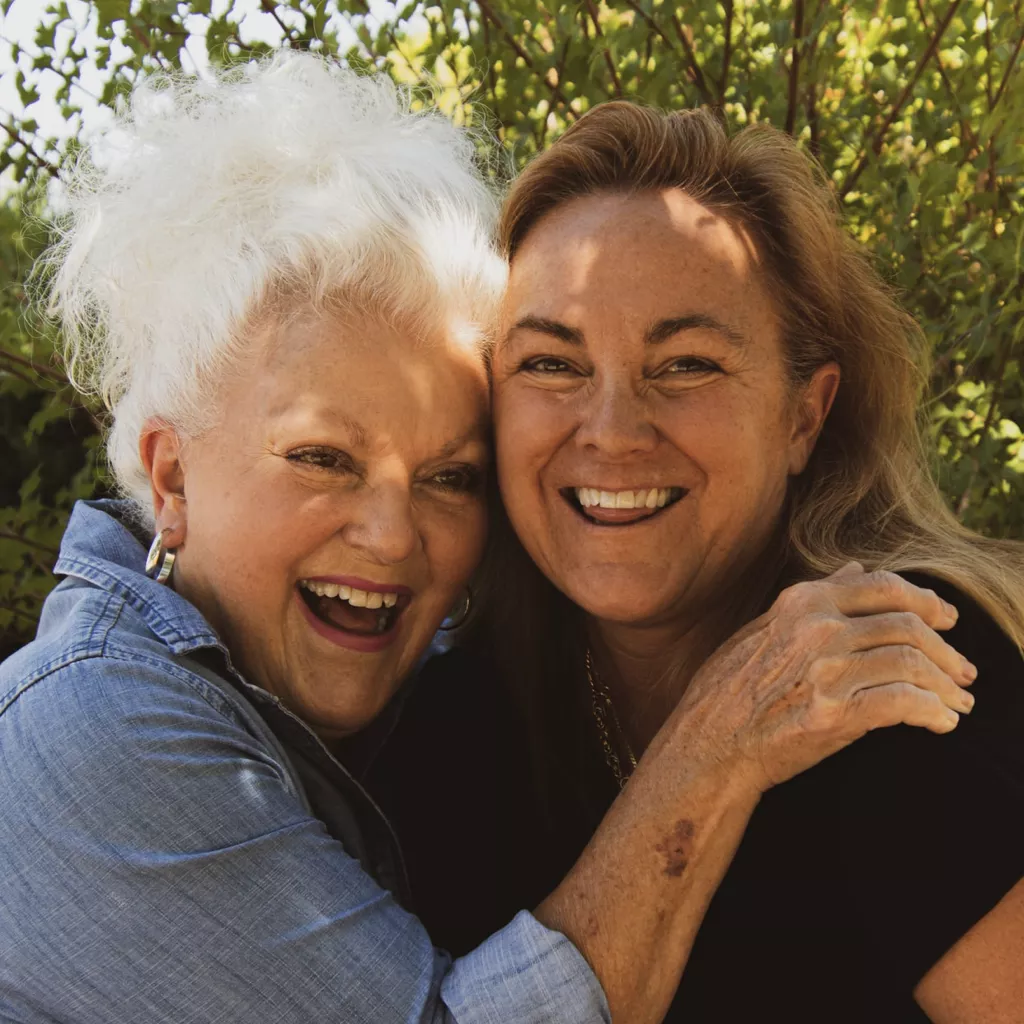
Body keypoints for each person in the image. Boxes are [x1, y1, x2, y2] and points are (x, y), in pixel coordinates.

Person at [0, 60, 977, 1024]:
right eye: (321, 457)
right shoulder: (91, 727)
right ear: (171, 476)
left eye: (450, 476)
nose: (391, 537)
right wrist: (711, 747)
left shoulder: (439, 708)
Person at [369, 103, 1024, 1023]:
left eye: (685, 365)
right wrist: (714, 749)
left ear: (804, 414)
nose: (612, 433)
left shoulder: (897, 677)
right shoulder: (449, 730)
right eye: (552, 366)